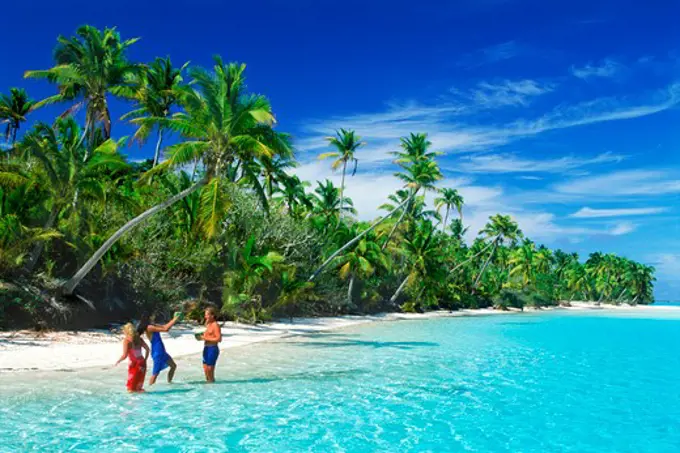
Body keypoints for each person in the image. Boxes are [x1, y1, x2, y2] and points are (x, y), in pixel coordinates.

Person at [137, 313, 180, 385]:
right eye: (152, 315)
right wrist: (175, 319)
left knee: (173, 366)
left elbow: (165, 326)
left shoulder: (153, 325)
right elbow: (166, 329)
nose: (154, 316)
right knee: (155, 373)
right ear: (149, 317)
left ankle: (170, 383)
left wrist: (174, 319)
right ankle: (150, 388)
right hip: (157, 352)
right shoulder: (149, 327)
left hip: (161, 351)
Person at [115, 322, 150, 393]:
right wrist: (145, 359)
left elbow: (124, 355)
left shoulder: (126, 341)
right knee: (138, 388)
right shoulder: (139, 339)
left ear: (126, 331)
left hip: (134, 364)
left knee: (131, 388)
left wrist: (118, 361)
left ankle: (130, 403)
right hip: (142, 363)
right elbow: (147, 349)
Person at [199, 306, 222, 383]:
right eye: (205, 315)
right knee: (206, 370)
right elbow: (209, 335)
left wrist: (205, 338)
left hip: (213, 349)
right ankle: (208, 387)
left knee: (210, 371)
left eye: (207, 315)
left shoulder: (216, 325)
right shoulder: (208, 324)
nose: (205, 316)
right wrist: (201, 336)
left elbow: (219, 339)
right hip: (206, 349)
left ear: (212, 315)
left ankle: (212, 385)